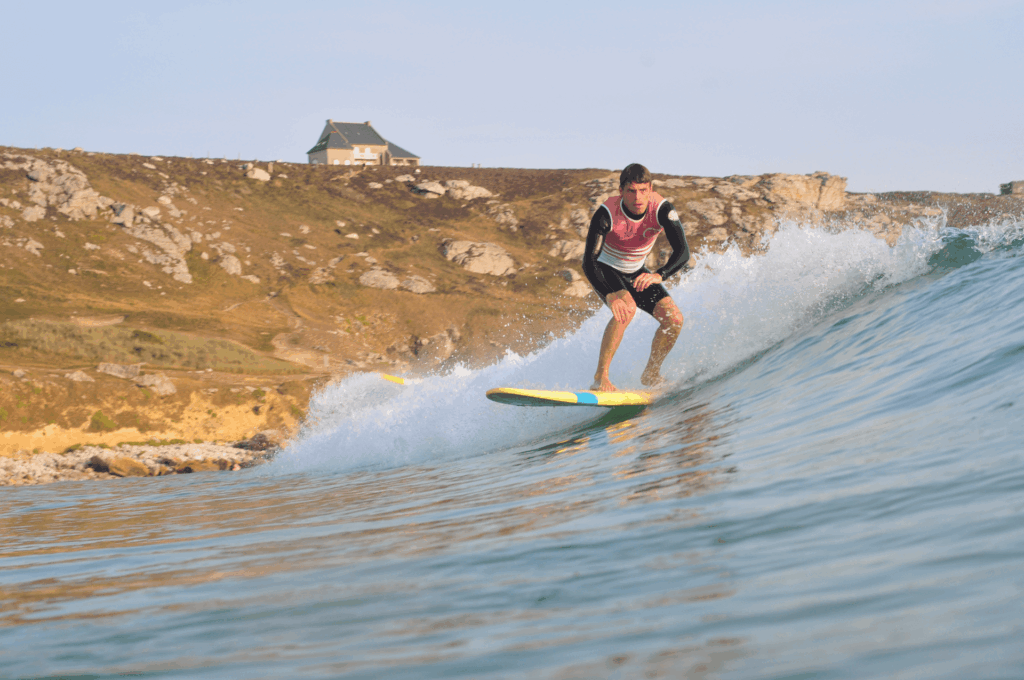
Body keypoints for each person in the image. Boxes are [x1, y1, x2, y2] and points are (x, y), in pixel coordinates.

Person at [582, 163, 693, 392]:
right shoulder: (607, 213)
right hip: (607, 269)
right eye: (631, 191)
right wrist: (610, 295)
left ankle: (651, 374)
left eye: (643, 190)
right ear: (621, 191)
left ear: (650, 188)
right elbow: (589, 262)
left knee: (674, 320)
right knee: (626, 309)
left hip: (636, 271)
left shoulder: (662, 209)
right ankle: (600, 378)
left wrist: (659, 276)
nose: (638, 197)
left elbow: (683, 252)